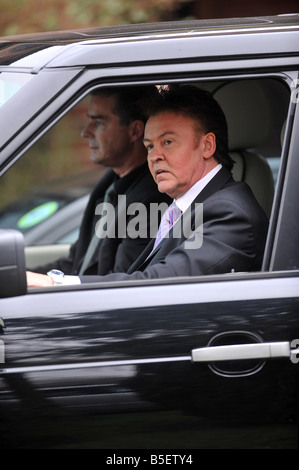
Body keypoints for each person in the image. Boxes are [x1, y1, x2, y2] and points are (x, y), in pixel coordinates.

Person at [27, 85, 269, 287]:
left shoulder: (230, 213)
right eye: (150, 146)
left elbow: (154, 283)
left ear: (207, 146)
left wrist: (53, 284)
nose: (154, 156)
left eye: (168, 141)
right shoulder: (188, 207)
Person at [32, 85, 171, 283]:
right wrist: (20, 278)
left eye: (98, 123)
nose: (86, 133)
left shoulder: (152, 199)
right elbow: (77, 263)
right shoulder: (109, 185)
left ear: (135, 131)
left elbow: (118, 282)